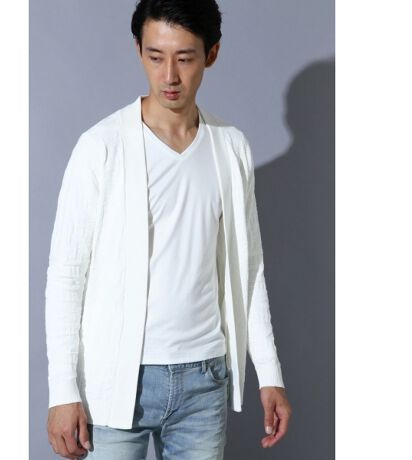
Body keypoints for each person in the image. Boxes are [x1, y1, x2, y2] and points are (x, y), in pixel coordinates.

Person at [45, 1, 292, 458]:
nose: (169, 76)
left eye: (185, 58)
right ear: (138, 50)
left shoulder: (230, 147)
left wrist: (270, 374)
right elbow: (66, 273)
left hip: (204, 379)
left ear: (211, 54)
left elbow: (248, 268)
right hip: (114, 380)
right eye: (155, 57)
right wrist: (63, 389)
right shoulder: (101, 147)